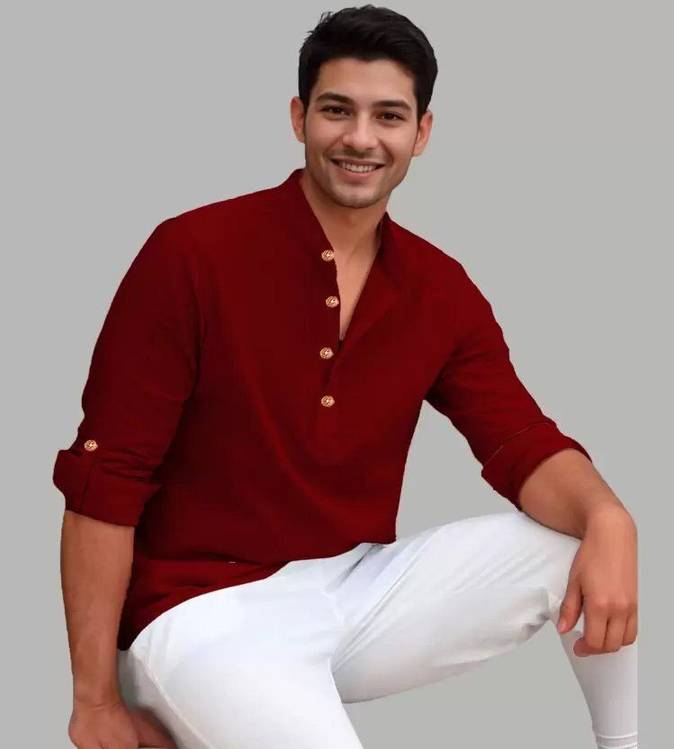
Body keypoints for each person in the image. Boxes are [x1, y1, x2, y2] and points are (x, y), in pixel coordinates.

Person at [54, 5, 638, 749]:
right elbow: (106, 481)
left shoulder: (438, 286)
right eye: (337, 110)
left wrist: (611, 518)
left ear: (421, 133)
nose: (361, 138)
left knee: (579, 545)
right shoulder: (191, 254)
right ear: (299, 118)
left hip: (354, 590)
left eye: (388, 115)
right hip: (198, 613)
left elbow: (518, 440)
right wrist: (95, 699)